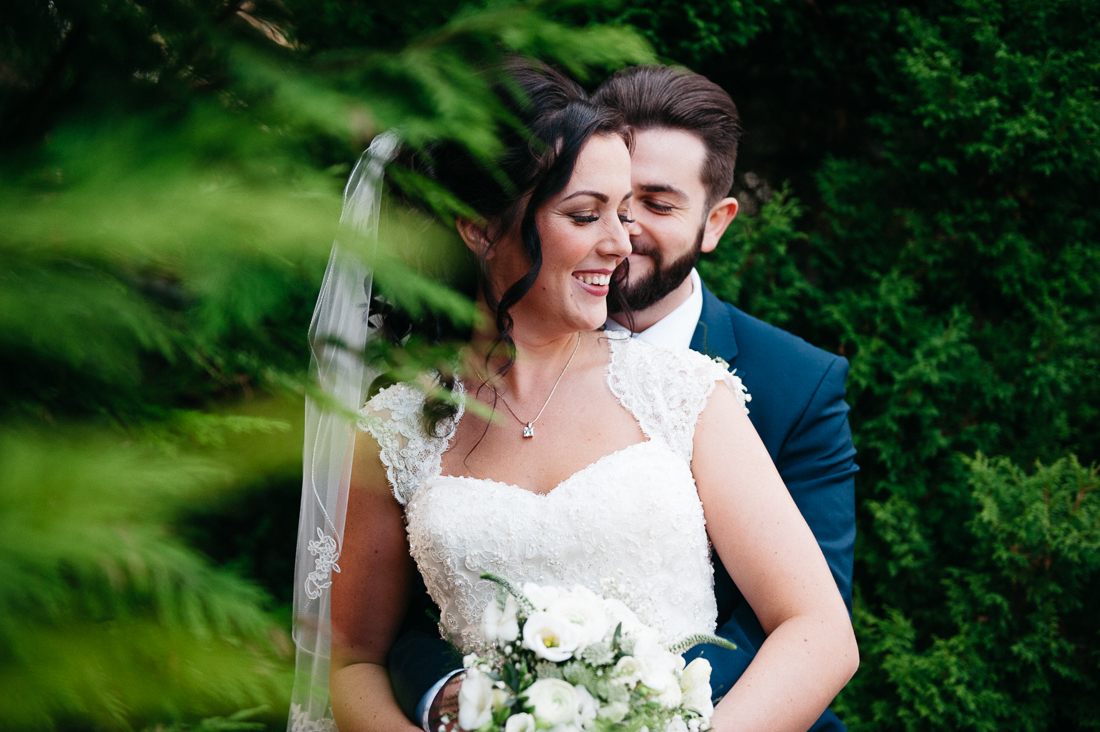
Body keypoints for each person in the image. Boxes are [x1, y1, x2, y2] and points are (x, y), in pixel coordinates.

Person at [291, 61, 857, 732]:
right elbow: (354, 658)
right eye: (586, 214)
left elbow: (818, 628)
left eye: (626, 212)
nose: (621, 244)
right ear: (478, 228)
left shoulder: (685, 392)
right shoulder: (396, 428)